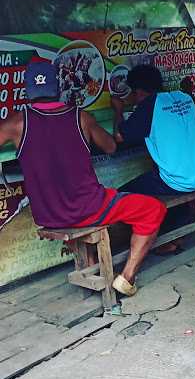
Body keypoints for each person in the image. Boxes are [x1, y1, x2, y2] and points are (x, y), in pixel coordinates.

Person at [0, 59, 166, 297]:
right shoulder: (80, 117)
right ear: (57, 87)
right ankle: (127, 278)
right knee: (154, 209)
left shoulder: (16, 123)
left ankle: (91, 267)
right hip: (88, 208)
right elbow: (110, 147)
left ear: (28, 90)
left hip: (48, 214)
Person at [112, 65, 195, 195]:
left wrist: (118, 110)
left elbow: (119, 136)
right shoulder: (185, 97)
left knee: (120, 195)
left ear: (139, 92)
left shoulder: (149, 105)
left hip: (178, 183)